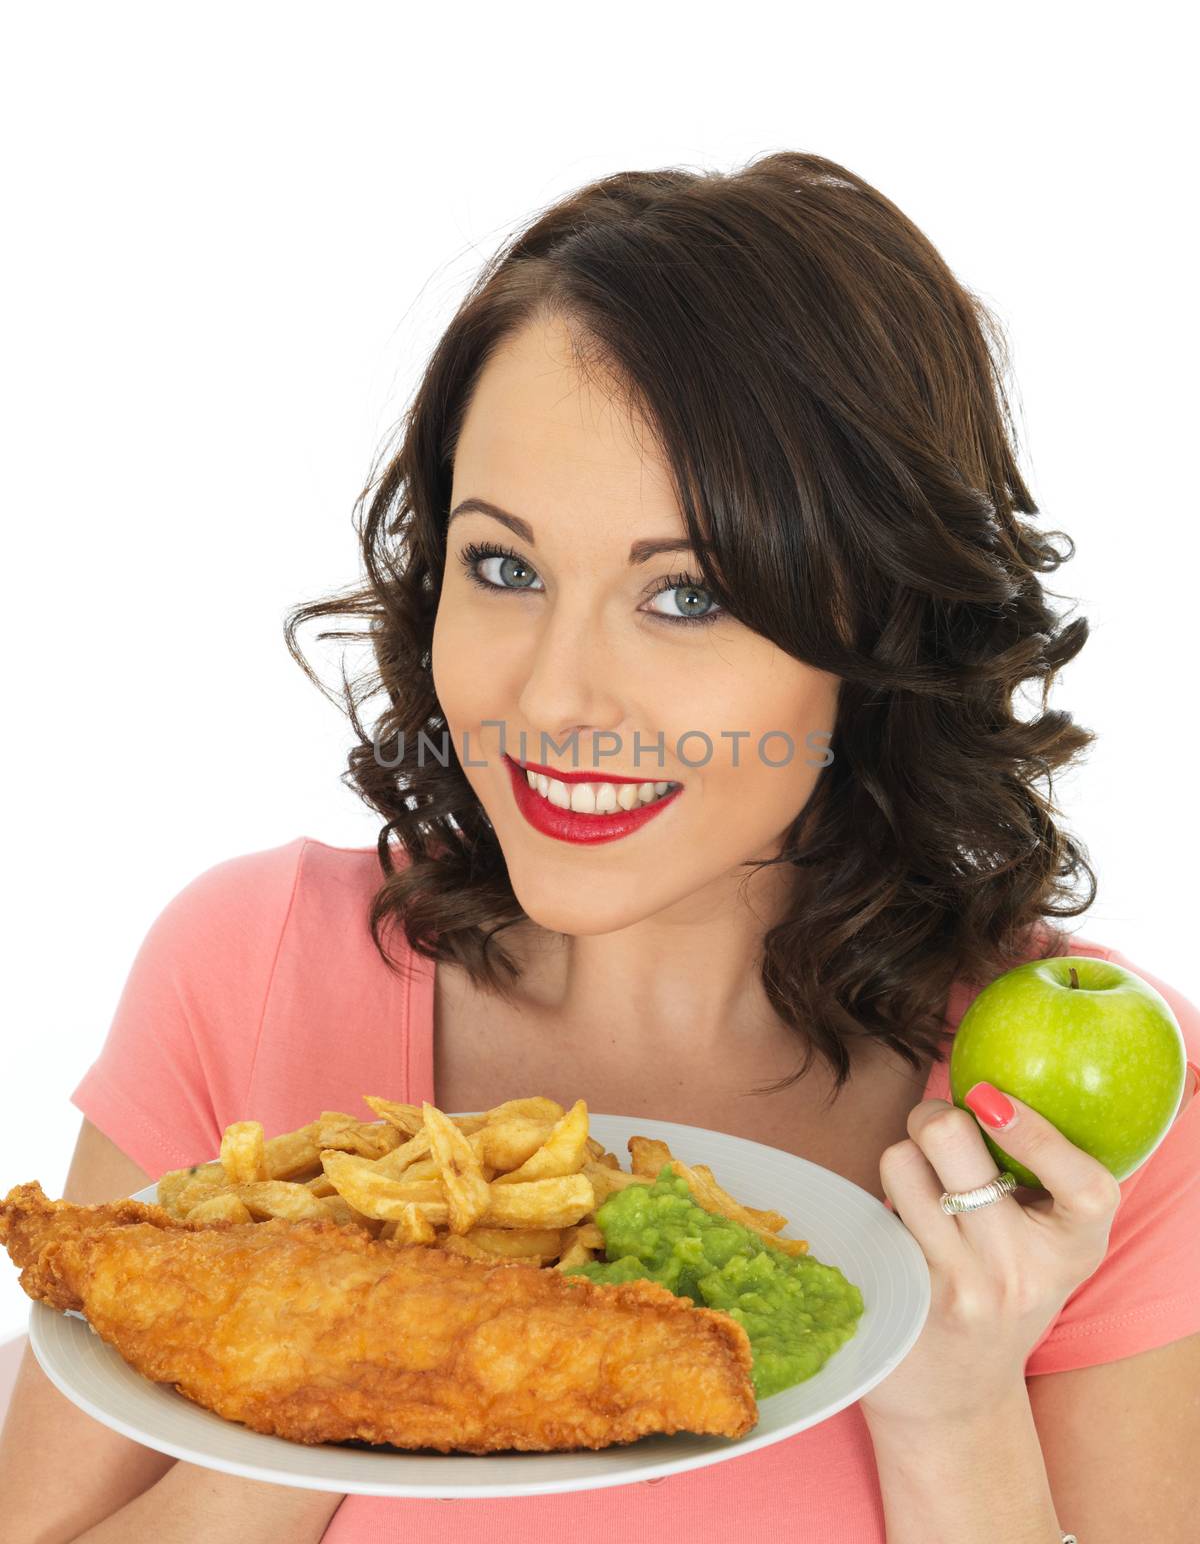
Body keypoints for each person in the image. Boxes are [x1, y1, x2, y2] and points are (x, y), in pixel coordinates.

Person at [3, 151, 1198, 1543]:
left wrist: (959, 1406)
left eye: (685, 595)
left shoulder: (1066, 1131)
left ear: (882, 632)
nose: (557, 699)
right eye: (504, 567)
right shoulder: (251, 971)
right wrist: (340, 1356)